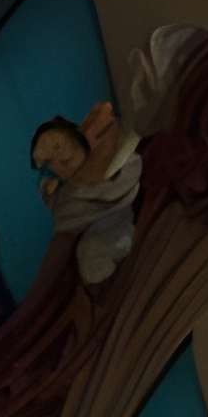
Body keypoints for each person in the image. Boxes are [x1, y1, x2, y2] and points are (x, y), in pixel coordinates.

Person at [29, 104, 142, 283]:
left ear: (74, 133)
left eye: (58, 146)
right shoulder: (66, 199)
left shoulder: (113, 150)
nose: (60, 160)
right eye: (49, 162)